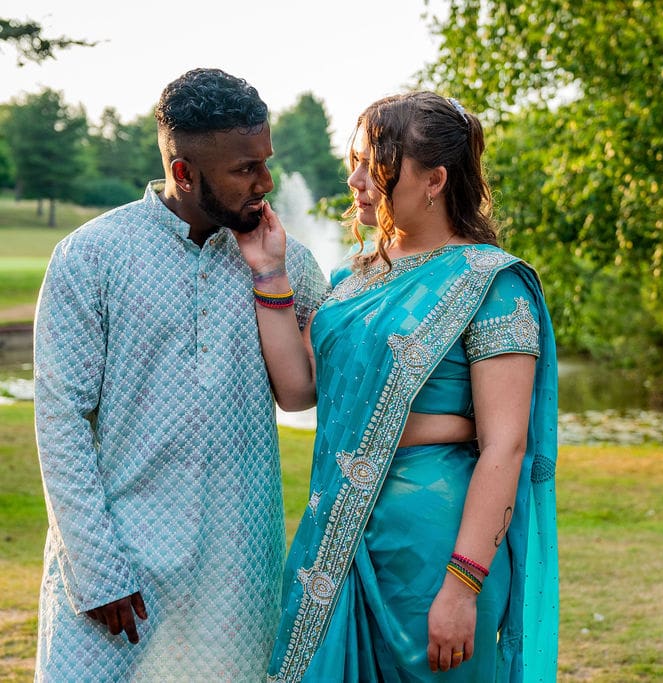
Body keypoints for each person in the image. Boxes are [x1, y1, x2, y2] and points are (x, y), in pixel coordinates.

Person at [233, 91, 559, 681]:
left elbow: (506, 445)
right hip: (337, 534)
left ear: (434, 180)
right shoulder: (353, 281)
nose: (355, 179)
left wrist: (462, 587)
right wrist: (269, 274)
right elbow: (302, 391)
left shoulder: (491, 284)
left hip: (432, 544)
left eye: (374, 166)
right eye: (354, 160)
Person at [31, 68, 331, 680]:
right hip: (120, 572)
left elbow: (317, 386)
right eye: (244, 168)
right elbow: (61, 420)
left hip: (239, 572)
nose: (265, 182)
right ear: (186, 171)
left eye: (266, 162)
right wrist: (96, 569)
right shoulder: (91, 256)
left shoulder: (288, 261)